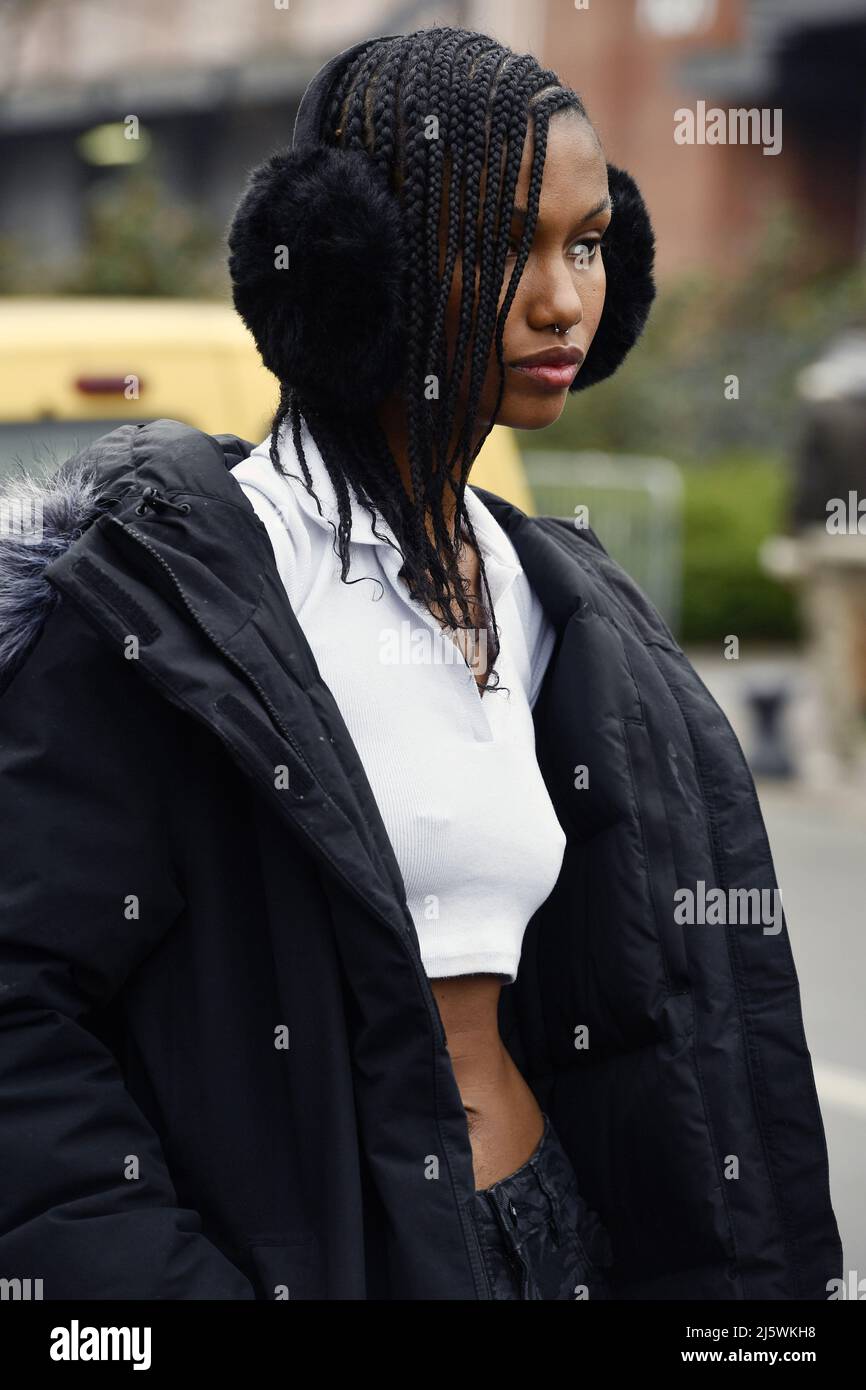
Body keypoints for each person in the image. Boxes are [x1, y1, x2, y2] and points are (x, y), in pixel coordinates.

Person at [0, 25, 841, 1301]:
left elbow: (673, 1020)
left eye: (589, 243)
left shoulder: (554, 595)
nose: (563, 299)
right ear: (350, 263)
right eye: (507, 243)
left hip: (553, 1244)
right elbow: (22, 1015)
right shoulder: (165, 604)